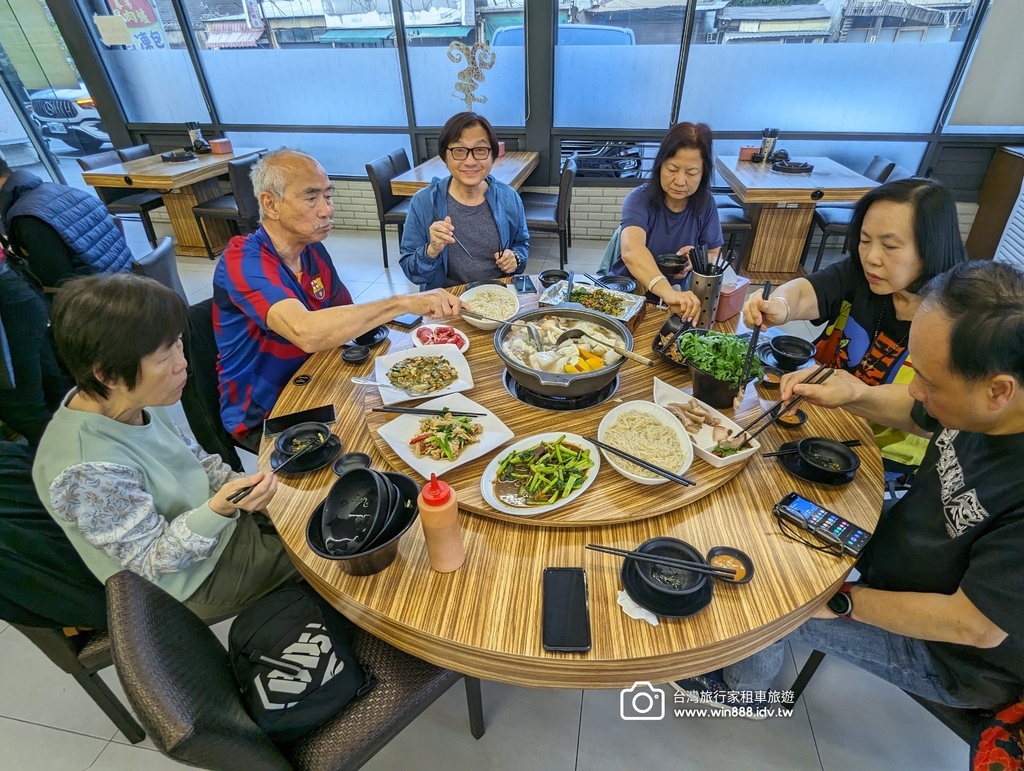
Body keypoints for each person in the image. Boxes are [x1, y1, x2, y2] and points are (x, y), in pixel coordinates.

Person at [679, 261, 1024, 713]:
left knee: (768, 605)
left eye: (928, 380)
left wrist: (844, 603)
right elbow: (913, 409)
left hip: (952, 656)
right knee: (762, 519)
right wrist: (854, 392)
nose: (914, 389)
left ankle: (744, 692)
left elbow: (974, 626)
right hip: (895, 555)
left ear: (999, 391)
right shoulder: (984, 401)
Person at [32, 274, 296, 620]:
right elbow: (151, 561)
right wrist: (220, 509)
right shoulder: (85, 469)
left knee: (319, 506)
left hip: (218, 530)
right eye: (162, 357)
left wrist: (256, 498)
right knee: (331, 558)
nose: (181, 362)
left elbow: (197, 460)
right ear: (108, 374)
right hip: (191, 580)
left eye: (177, 343)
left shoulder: (132, 397)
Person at [213, 149, 464, 452]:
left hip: (318, 377)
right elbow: (306, 332)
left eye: (328, 197)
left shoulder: (312, 250)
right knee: (380, 449)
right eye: (311, 198)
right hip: (268, 409)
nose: (326, 210)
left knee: (427, 411)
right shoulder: (244, 260)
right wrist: (403, 302)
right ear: (270, 204)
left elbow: (346, 316)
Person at [742, 177, 966, 472]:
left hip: (882, 455)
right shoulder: (861, 275)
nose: (871, 258)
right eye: (864, 240)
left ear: (931, 246)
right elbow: (805, 290)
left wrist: (857, 392)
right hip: (822, 417)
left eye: (889, 245)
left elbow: (930, 413)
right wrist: (779, 307)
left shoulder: (956, 317)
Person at [606, 122, 723, 322]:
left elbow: (715, 254)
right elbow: (631, 251)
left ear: (703, 174)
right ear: (660, 166)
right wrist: (667, 293)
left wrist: (697, 260)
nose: (680, 180)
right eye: (672, 169)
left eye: (691, 173)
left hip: (679, 299)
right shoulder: (639, 199)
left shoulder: (706, 204)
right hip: (630, 294)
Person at [399, 112, 530, 290]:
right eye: (459, 151)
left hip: (499, 296)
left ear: (493, 155)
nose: (470, 161)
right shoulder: (423, 202)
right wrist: (431, 250)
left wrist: (515, 258)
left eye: (480, 150)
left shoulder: (508, 197)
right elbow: (412, 271)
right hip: (447, 299)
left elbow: (521, 244)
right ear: (445, 156)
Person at [0, 157, 132, 288]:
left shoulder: (26, 218)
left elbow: (54, 281)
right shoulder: (54, 189)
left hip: (101, 295)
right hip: (128, 278)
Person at [0, 249, 70, 445]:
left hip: (9, 303)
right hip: (17, 289)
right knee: (53, 384)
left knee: (22, 406)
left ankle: (68, 461)